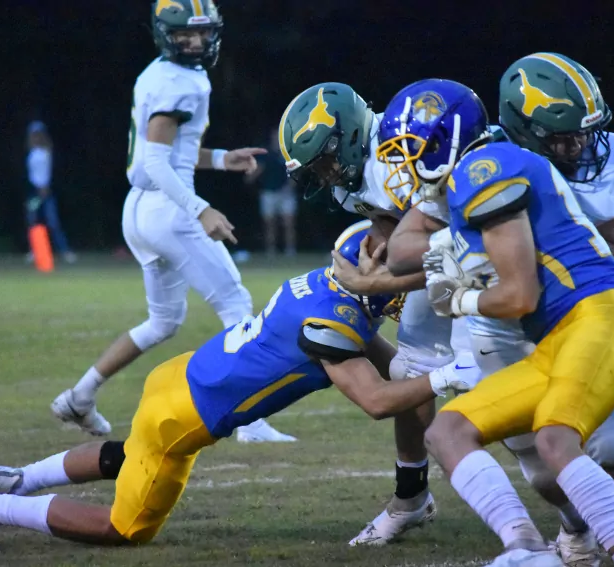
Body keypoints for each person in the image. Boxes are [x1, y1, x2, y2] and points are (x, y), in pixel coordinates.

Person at [0, 221, 478, 551]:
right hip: (184, 418)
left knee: (132, 451)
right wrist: (450, 373)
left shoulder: (325, 287)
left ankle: (17, 478)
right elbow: (377, 400)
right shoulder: (332, 323)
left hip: (180, 376)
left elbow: (391, 366)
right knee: (126, 528)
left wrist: (439, 370)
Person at [372, 76, 614, 567]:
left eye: (413, 149)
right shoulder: (469, 174)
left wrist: (461, 294)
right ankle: (532, 547)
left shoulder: (487, 168)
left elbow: (532, 291)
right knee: (467, 437)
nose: (578, 146)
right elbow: (401, 253)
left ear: (449, 141)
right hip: (539, 334)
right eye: (562, 135)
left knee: (586, 444)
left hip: (582, 319)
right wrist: (454, 246)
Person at [50, 0, 294, 443]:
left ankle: (79, 397)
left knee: (163, 322)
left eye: (202, 32)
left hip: (139, 209)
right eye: (185, 34)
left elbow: (168, 152)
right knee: (236, 304)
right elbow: (157, 163)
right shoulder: (179, 83)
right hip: (168, 209)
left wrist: (221, 158)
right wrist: (201, 209)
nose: (195, 41)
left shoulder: (158, 74)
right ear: (166, 34)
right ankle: (250, 422)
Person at [277, 82, 482, 545]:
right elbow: (400, 235)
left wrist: (380, 283)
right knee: (408, 370)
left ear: (348, 136)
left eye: (325, 162)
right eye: (316, 170)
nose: (326, 176)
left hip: (485, 266)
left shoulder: (399, 157)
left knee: (495, 385)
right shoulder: (355, 179)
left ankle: (572, 511)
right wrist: (382, 256)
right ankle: (411, 497)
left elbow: (459, 253)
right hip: (447, 266)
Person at [24, 121, 76, 264]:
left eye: (38, 135)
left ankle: (64, 250)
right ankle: (35, 251)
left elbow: (46, 172)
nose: (36, 137)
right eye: (33, 135)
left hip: (46, 192)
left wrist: (45, 187)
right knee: (33, 221)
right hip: (34, 193)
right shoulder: (31, 153)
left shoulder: (47, 152)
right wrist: (36, 188)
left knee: (53, 222)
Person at [244, 127, 298, 257]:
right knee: (269, 224)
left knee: (289, 223)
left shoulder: (288, 153)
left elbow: (295, 173)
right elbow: (257, 170)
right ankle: (271, 250)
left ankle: (290, 250)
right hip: (268, 193)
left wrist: (291, 186)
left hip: (285, 194)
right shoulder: (266, 154)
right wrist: (250, 176)